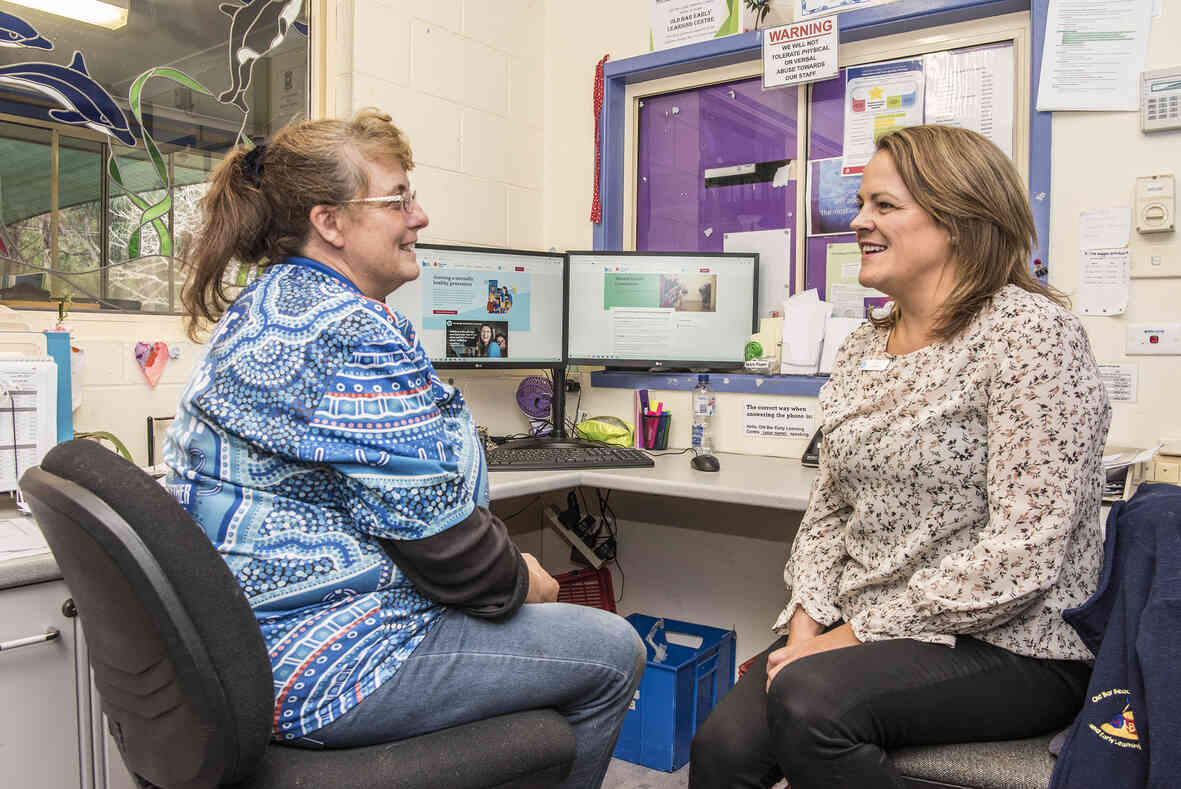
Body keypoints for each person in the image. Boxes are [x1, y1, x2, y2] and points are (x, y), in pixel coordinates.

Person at [165, 108, 644, 789]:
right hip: (322, 659)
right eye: (397, 200)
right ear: (328, 222)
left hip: (250, 649)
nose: (418, 217)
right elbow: (453, 558)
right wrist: (526, 578)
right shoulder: (346, 329)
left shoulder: (276, 302)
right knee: (609, 650)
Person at [689, 125, 1111, 788]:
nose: (858, 221)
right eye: (861, 204)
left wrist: (851, 636)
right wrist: (805, 626)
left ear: (959, 219)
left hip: (1016, 641)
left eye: (884, 206)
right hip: (874, 622)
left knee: (810, 705)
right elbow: (830, 509)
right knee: (720, 747)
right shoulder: (864, 344)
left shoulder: (1029, 333)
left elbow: (1024, 550)